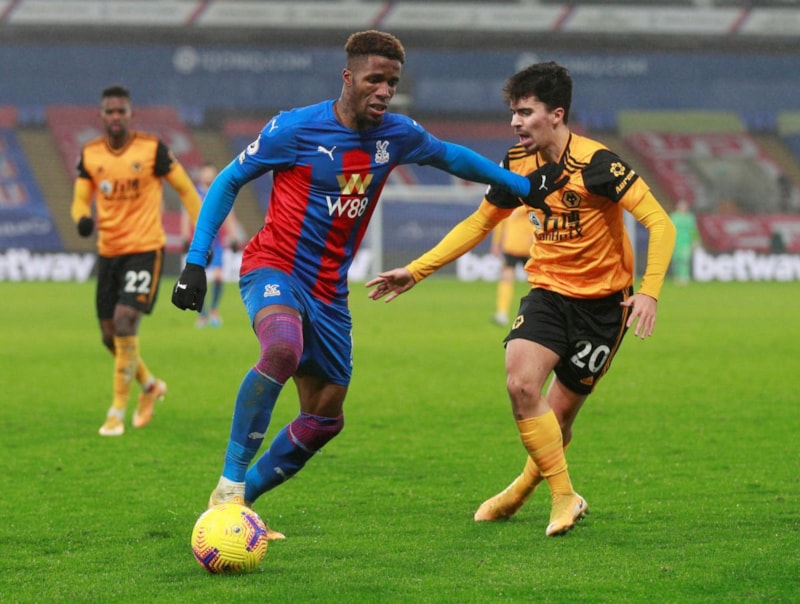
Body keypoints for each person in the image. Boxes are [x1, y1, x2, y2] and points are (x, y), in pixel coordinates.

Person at [171, 30, 563, 539]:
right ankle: (227, 487)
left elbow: (451, 156)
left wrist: (522, 186)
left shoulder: (395, 135)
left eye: (392, 82)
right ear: (348, 77)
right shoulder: (294, 129)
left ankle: (241, 503)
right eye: (375, 79)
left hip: (330, 292)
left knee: (325, 416)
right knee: (283, 348)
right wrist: (196, 261)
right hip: (275, 268)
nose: (385, 91)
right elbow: (227, 180)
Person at [367, 61, 676, 536]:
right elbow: (480, 222)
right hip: (547, 293)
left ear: (556, 114)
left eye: (525, 112)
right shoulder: (517, 163)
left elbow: (660, 222)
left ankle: (521, 490)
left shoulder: (598, 164)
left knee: (559, 419)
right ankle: (564, 496)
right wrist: (417, 269)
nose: (515, 122)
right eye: (513, 112)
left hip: (603, 307)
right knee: (521, 385)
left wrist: (650, 292)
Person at [71, 84, 202, 436]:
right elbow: (80, 198)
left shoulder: (152, 150)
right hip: (109, 253)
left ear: (131, 115)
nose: (116, 117)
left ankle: (116, 412)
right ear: (101, 116)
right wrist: (81, 218)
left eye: (121, 111)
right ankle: (150, 386)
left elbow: (186, 189)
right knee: (109, 336)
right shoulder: (90, 154)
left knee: (125, 321)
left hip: (144, 249)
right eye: (110, 111)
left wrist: (202, 234)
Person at [182, 163, 244, 328]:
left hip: (217, 243)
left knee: (217, 277)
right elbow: (186, 214)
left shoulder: (221, 190)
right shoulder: (194, 193)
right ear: (201, 175)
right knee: (197, 277)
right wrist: (185, 236)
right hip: (198, 242)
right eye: (206, 173)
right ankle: (202, 315)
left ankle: (214, 310)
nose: (209, 176)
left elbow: (229, 215)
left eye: (211, 173)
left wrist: (234, 237)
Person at [490, 205, 534, 326]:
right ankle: (502, 313)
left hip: (529, 247)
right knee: (507, 277)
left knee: (536, 281)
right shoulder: (511, 203)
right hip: (513, 246)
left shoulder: (528, 202)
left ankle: (538, 312)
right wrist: (496, 243)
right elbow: (500, 222)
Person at [669, 199, 698, 284]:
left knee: (685, 259)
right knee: (676, 260)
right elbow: (669, 229)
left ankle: (684, 277)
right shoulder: (674, 217)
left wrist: (695, 241)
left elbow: (693, 230)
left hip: (686, 242)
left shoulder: (689, 218)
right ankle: (677, 277)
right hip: (675, 241)